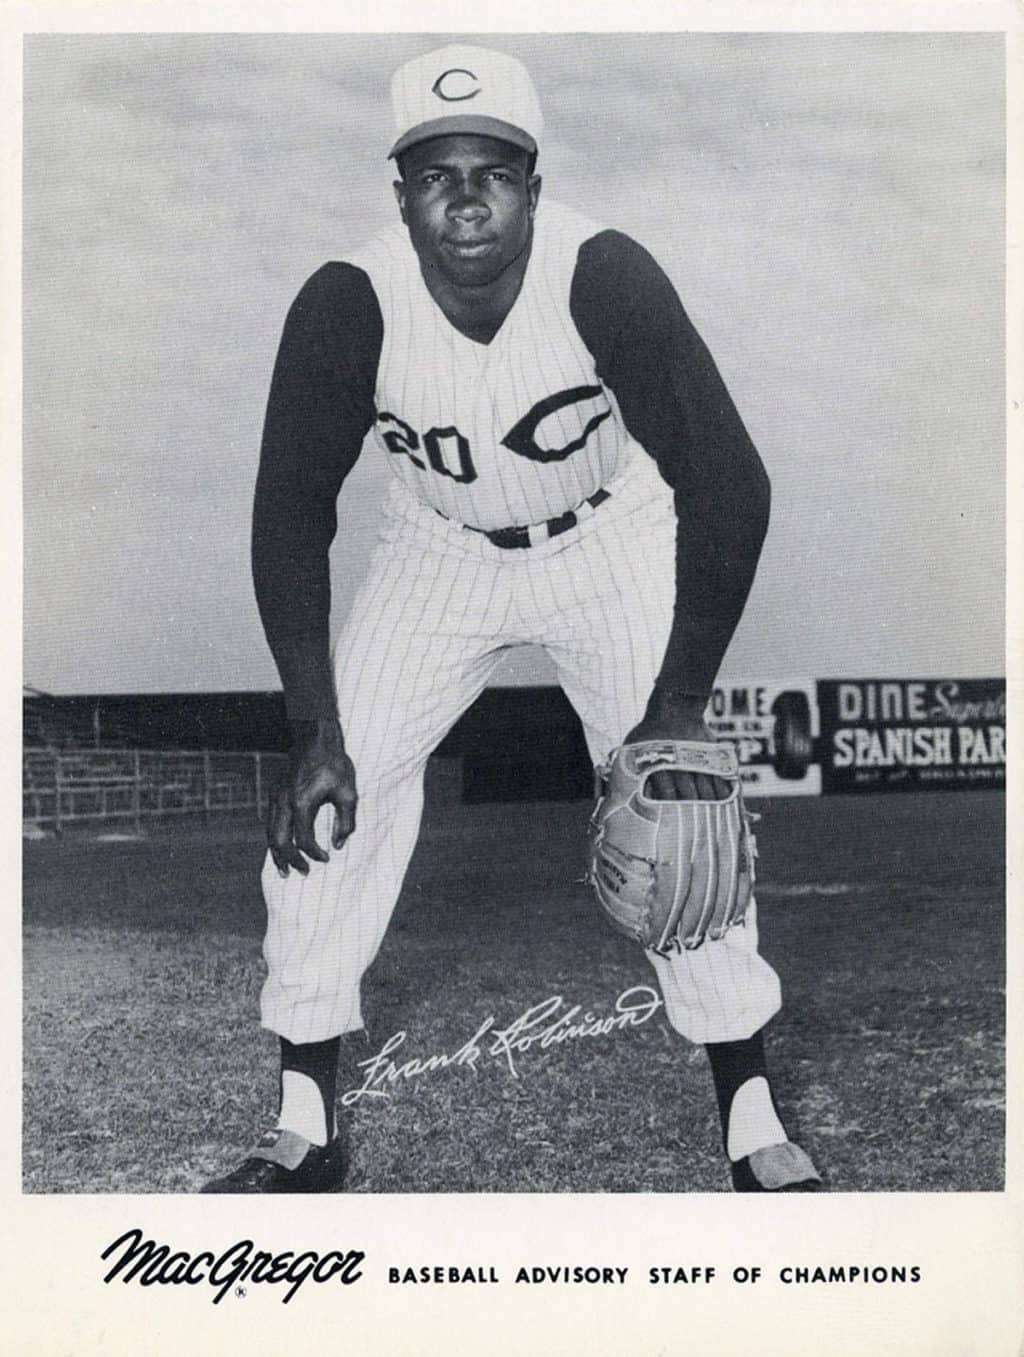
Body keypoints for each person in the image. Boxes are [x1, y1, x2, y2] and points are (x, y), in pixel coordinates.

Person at [201, 44, 822, 1194]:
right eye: (437, 174)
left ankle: (747, 1107)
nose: (467, 196)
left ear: (534, 184)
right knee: (337, 800)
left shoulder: (604, 274)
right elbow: (289, 515)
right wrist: (313, 732)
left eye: (494, 169)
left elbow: (730, 482)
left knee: (680, 806)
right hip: (437, 548)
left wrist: (674, 710)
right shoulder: (349, 299)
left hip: (607, 536)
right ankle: (303, 1115)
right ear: (401, 194)